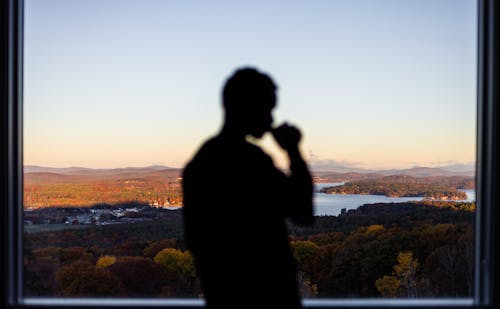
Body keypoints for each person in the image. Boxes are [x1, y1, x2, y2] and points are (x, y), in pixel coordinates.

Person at [182, 67, 314, 308]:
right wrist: (293, 151)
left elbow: (195, 240)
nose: (271, 118)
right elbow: (302, 212)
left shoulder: (200, 162)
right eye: (268, 108)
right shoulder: (251, 161)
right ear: (246, 106)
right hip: (269, 298)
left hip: (223, 298)